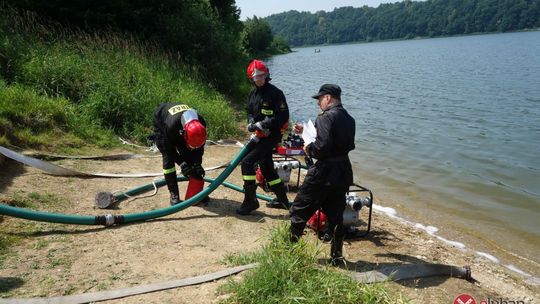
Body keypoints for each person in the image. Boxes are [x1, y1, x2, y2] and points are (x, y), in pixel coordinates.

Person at [289, 84, 356, 265]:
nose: (318, 103)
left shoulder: (325, 117)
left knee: (299, 209)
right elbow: (342, 144)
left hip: (324, 172)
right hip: (343, 170)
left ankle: (288, 252)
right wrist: (305, 132)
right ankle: (336, 257)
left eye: (319, 99)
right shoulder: (349, 119)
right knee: (336, 214)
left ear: (328, 98)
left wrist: (308, 148)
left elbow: (322, 148)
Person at [236, 59, 290, 215]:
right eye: (255, 77)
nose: (258, 79)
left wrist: (265, 123)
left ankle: (250, 201)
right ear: (251, 78)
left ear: (267, 75)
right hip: (258, 135)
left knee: (247, 162)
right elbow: (249, 111)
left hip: (271, 135)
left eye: (261, 76)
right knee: (266, 167)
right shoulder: (253, 93)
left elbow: (283, 115)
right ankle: (282, 200)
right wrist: (251, 122)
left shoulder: (275, 93)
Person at [153, 102, 208, 206]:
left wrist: (197, 164)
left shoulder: (201, 126)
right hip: (162, 120)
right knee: (168, 159)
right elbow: (169, 150)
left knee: (189, 155)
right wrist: (182, 164)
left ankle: (197, 192)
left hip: (181, 127)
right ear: (184, 134)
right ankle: (174, 194)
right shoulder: (171, 126)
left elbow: (199, 148)